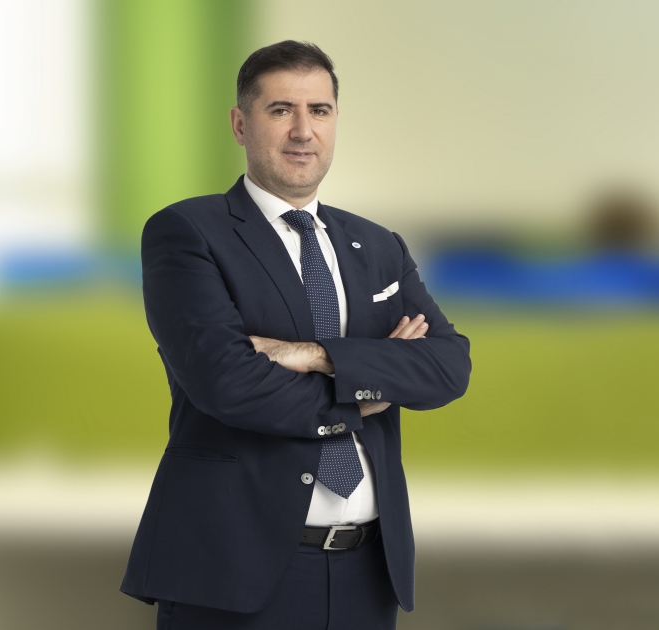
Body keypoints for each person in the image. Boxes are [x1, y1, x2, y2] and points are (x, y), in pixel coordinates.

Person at [121, 40, 471, 630]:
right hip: (234, 572)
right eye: (281, 110)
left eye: (320, 111)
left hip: (368, 572)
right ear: (240, 124)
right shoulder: (187, 232)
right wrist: (368, 388)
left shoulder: (377, 245)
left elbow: (447, 366)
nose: (303, 131)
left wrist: (315, 356)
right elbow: (228, 384)